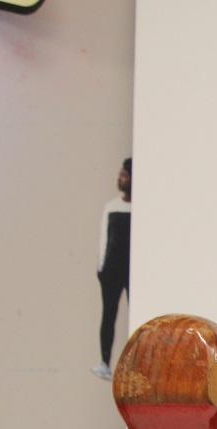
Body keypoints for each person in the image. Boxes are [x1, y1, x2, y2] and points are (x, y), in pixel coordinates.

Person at [92, 158, 131, 380]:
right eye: (120, 174)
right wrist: (101, 267)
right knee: (109, 315)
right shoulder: (112, 206)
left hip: (130, 270)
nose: (120, 179)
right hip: (111, 270)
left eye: (125, 175)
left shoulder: (139, 208)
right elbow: (104, 239)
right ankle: (105, 362)